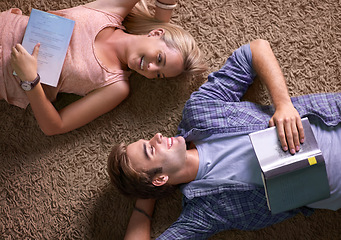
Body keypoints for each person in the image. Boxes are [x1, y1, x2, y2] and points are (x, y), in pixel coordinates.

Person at [107, 39, 341, 239]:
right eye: (150, 150)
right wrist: (144, 195)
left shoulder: (200, 111)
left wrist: (283, 104)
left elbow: (254, 50)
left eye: (148, 140)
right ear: (159, 179)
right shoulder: (204, 211)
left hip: (333, 117)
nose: (157, 136)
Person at [1, 0, 206, 135]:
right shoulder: (110, 12)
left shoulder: (116, 86)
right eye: (159, 58)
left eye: (159, 74)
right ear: (155, 33)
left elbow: (55, 126)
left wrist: (31, 81)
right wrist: (164, 10)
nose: (150, 69)